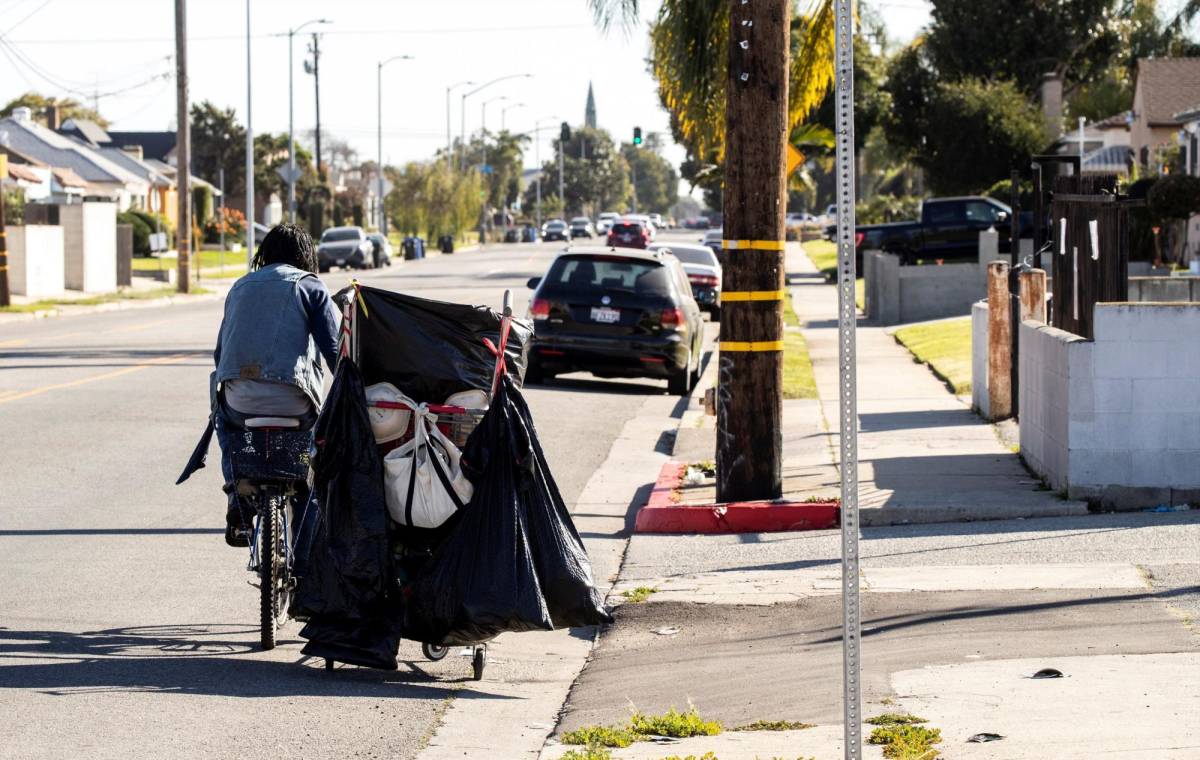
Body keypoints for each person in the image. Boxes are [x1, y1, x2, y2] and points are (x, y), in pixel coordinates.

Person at [212, 223, 340, 546]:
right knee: (310, 472)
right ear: (306, 257)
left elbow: (220, 356)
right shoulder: (310, 286)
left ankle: (237, 498)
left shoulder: (239, 287)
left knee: (220, 405)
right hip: (295, 403)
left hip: (240, 403)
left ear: (265, 255)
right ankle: (305, 556)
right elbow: (336, 353)